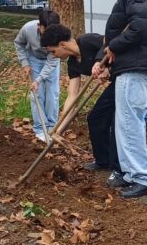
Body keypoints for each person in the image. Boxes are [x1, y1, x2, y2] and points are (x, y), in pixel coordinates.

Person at [95, 0, 147, 198]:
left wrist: (114, 46)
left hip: (134, 66)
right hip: (130, 64)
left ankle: (144, 177)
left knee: (130, 123)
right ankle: (131, 174)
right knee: (125, 123)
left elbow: (139, 28)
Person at [39, 24, 119, 176]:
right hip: (114, 84)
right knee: (95, 118)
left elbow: (109, 44)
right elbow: (72, 95)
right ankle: (103, 161)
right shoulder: (73, 63)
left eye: (53, 51)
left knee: (116, 121)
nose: (54, 56)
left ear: (62, 45)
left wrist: (107, 67)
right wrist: (60, 128)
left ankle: (118, 165)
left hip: (124, 77)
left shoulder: (87, 41)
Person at [14, 9, 62, 142]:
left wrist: (38, 79)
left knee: (52, 94)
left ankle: (52, 128)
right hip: (34, 59)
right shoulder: (27, 29)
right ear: (39, 26)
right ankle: (40, 129)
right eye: (45, 30)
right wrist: (25, 63)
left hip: (51, 60)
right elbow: (19, 43)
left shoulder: (59, 36)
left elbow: (52, 62)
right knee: (37, 95)